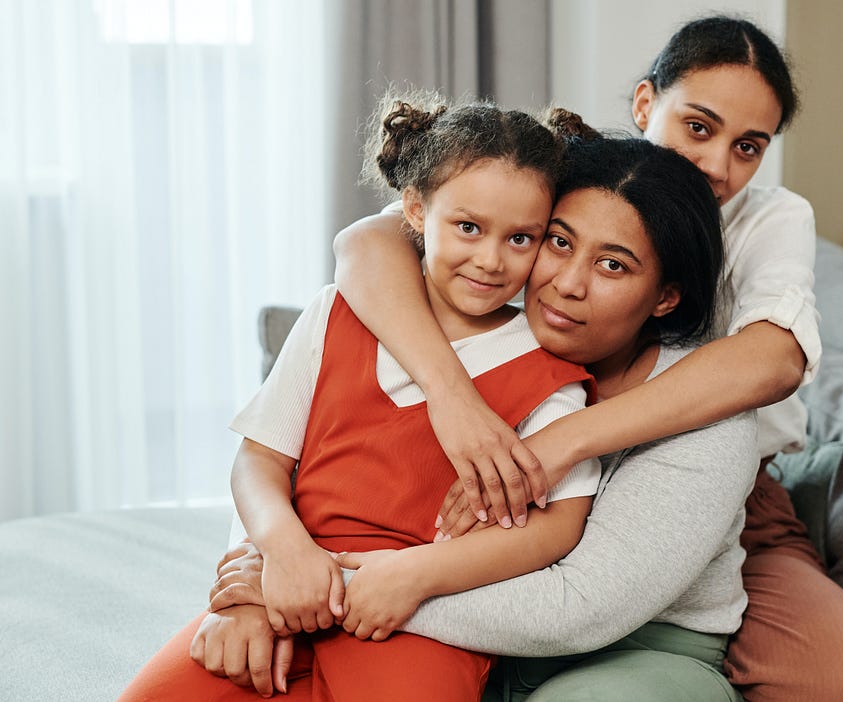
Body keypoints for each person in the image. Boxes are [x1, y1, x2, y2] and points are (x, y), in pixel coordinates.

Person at [322, 15, 843, 701]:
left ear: (666, 294)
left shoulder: (769, 223)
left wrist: (561, 443)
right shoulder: (569, 178)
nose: (715, 164)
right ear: (646, 104)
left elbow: (773, 362)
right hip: (520, 561)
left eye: (748, 146)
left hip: (728, 499)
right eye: (698, 126)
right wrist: (453, 399)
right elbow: (372, 241)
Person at [206, 132, 756, 701]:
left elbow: (579, 609)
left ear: (665, 296)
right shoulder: (479, 332)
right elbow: (375, 237)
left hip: (636, 652)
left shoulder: (709, 421)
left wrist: (321, 585)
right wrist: (266, 559)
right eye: (558, 242)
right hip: (468, 638)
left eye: (613, 266)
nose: (567, 284)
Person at [119, 94, 604, 701]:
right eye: (468, 227)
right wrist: (277, 558)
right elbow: (259, 461)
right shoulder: (335, 311)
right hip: (284, 591)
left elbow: (554, 531)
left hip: (412, 622)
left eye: (521, 238)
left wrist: (418, 578)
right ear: (415, 210)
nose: (490, 259)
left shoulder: (550, 371)